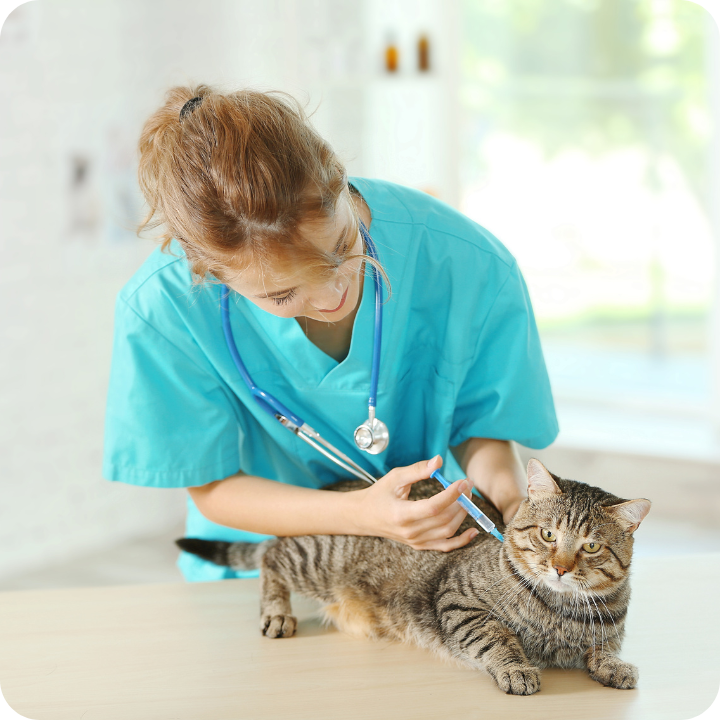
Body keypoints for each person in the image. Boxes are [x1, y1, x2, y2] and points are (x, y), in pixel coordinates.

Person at [103, 85, 558, 582]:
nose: (330, 297)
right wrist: (363, 515)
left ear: (340, 180)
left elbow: (481, 427)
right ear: (205, 269)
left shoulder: (466, 260)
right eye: (281, 295)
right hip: (267, 572)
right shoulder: (163, 308)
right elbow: (213, 488)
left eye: (342, 249)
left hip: (422, 563)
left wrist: (513, 504)